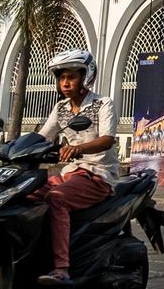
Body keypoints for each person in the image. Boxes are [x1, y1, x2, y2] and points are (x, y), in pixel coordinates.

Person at [34, 49, 119, 287]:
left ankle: (62, 269)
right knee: (27, 194)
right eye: (62, 78)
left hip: (97, 174)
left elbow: (107, 139)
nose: (65, 83)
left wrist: (78, 149)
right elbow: (43, 137)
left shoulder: (103, 103)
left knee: (57, 199)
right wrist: (12, 148)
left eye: (71, 77)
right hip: (69, 174)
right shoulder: (60, 108)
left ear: (85, 77)